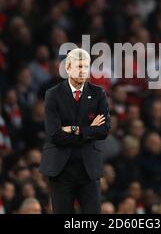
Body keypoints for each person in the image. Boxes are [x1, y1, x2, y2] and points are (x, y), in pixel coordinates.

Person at [39, 48, 111, 214]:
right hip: (61, 169)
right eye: (79, 66)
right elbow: (55, 134)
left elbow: (104, 130)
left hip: (89, 168)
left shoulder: (98, 93)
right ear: (68, 68)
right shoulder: (53, 94)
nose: (83, 71)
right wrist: (88, 130)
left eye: (86, 67)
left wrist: (74, 129)